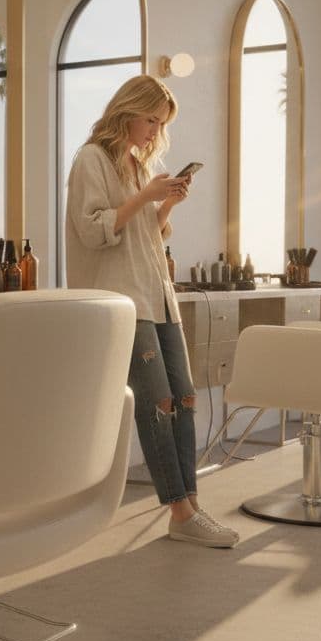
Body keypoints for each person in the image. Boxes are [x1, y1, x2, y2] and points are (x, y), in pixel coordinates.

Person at [65, 75, 240, 549]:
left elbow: (145, 235)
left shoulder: (138, 167)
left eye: (160, 124)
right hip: (123, 299)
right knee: (156, 404)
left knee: (184, 396)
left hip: (157, 296)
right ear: (127, 111)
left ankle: (191, 505)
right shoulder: (91, 160)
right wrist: (145, 198)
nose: (153, 130)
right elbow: (93, 231)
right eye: (150, 119)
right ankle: (180, 511)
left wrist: (163, 207)